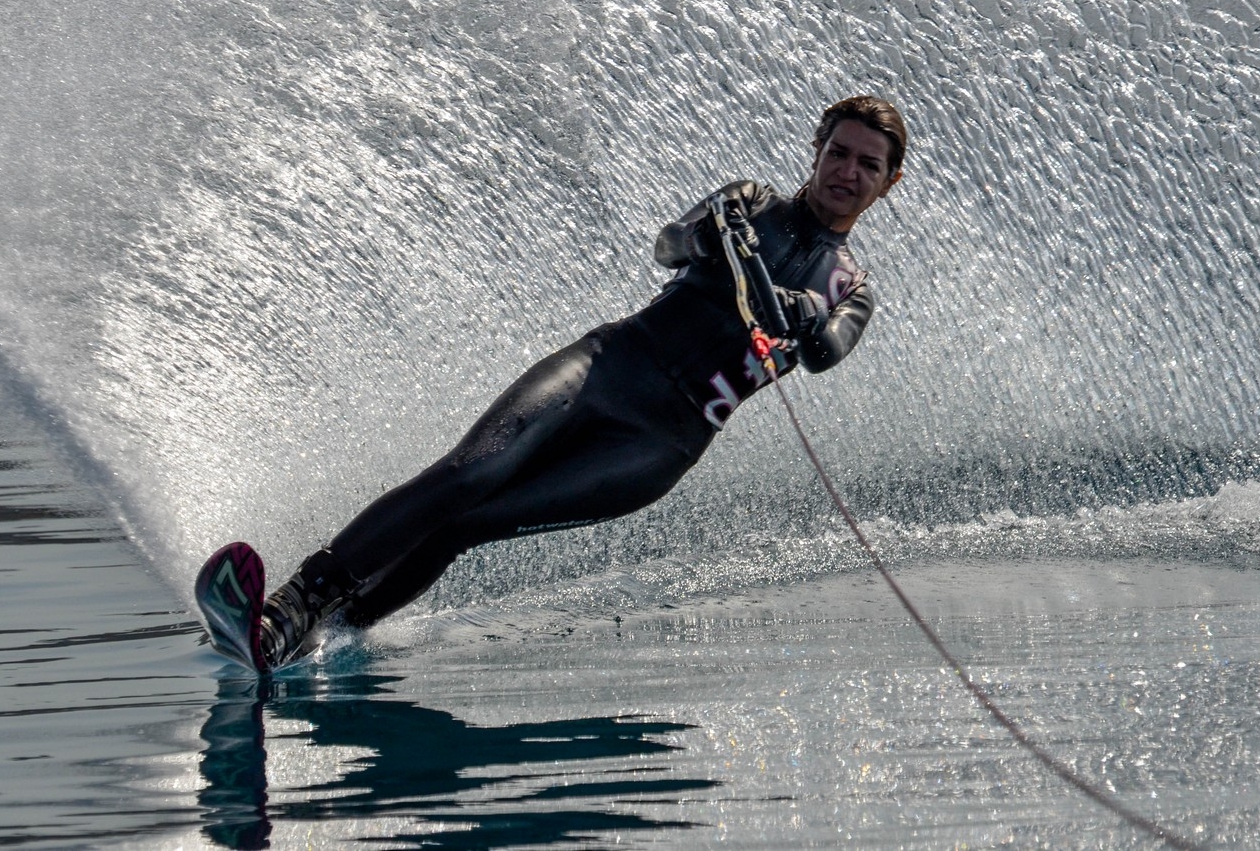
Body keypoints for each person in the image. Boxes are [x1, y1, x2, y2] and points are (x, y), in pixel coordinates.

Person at [252, 95, 907, 669]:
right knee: (466, 476)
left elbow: (825, 352)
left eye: (867, 165)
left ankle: (336, 630)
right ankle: (293, 605)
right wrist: (705, 236)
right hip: (608, 366)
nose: (847, 171)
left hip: (659, 444)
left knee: (467, 524)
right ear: (816, 150)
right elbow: (668, 246)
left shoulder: (852, 291)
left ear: (889, 181)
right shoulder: (750, 203)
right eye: (838, 152)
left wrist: (802, 311)